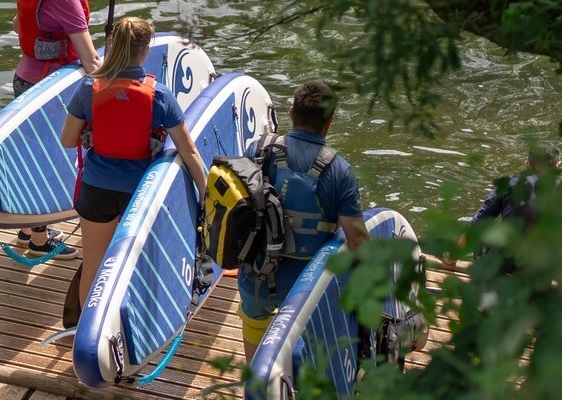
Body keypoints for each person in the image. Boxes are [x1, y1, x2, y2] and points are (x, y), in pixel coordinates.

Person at [58, 17, 208, 329]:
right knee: (135, 267)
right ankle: (126, 335)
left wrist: (94, 130)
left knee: (94, 267)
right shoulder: (160, 96)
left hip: (96, 190)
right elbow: (189, 152)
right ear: (144, 51)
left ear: (112, 48)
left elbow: (67, 140)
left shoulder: (89, 88)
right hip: (139, 195)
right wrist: (207, 197)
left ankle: (86, 336)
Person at [238, 80, 370, 361]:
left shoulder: (258, 150)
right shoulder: (339, 170)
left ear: (291, 112)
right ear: (330, 121)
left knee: (254, 338)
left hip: (255, 279)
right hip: (306, 292)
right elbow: (358, 241)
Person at [11, 0, 103, 261]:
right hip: (49, 90)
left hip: (24, 78)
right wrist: (116, 84)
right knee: (48, 162)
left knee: (31, 157)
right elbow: (91, 59)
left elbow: (17, 24)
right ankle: (40, 241)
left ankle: (26, 228)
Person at [444, 144, 562, 274]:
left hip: (502, 265)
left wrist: (451, 260)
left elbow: (478, 224)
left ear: (527, 164)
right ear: (558, 166)